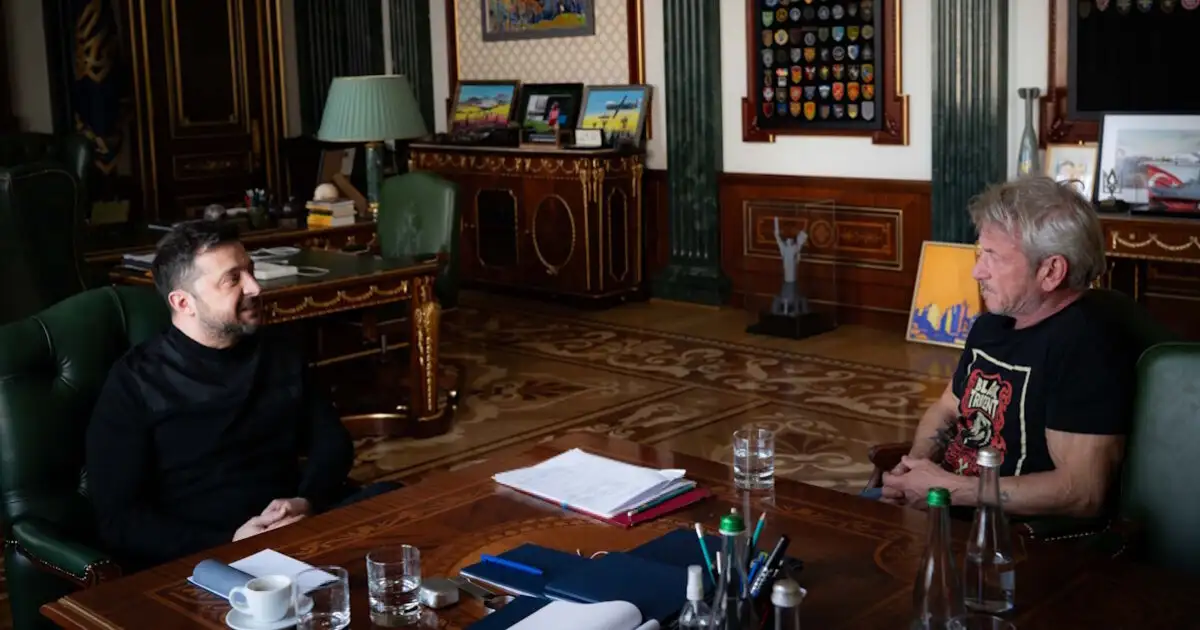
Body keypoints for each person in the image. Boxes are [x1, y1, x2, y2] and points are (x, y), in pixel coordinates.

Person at [86, 221, 379, 571]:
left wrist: (306, 500)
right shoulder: (134, 381)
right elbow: (119, 520)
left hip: (297, 529)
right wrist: (231, 541)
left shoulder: (279, 350)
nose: (255, 287)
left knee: (395, 502)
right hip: (204, 557)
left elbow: (332, 441)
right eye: (232, 279)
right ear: (183, 302)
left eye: (250, 271)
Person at [876, 177, 1138, 519]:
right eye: (980, 252)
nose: (977, 271)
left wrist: (946, 489)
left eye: (993, 257)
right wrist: (914, 469)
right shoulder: (991, 325)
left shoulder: (1086, 346)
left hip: (1006, 537)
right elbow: (946, 409)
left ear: (1051, 271)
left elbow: (1082, 492)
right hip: (943, 507)